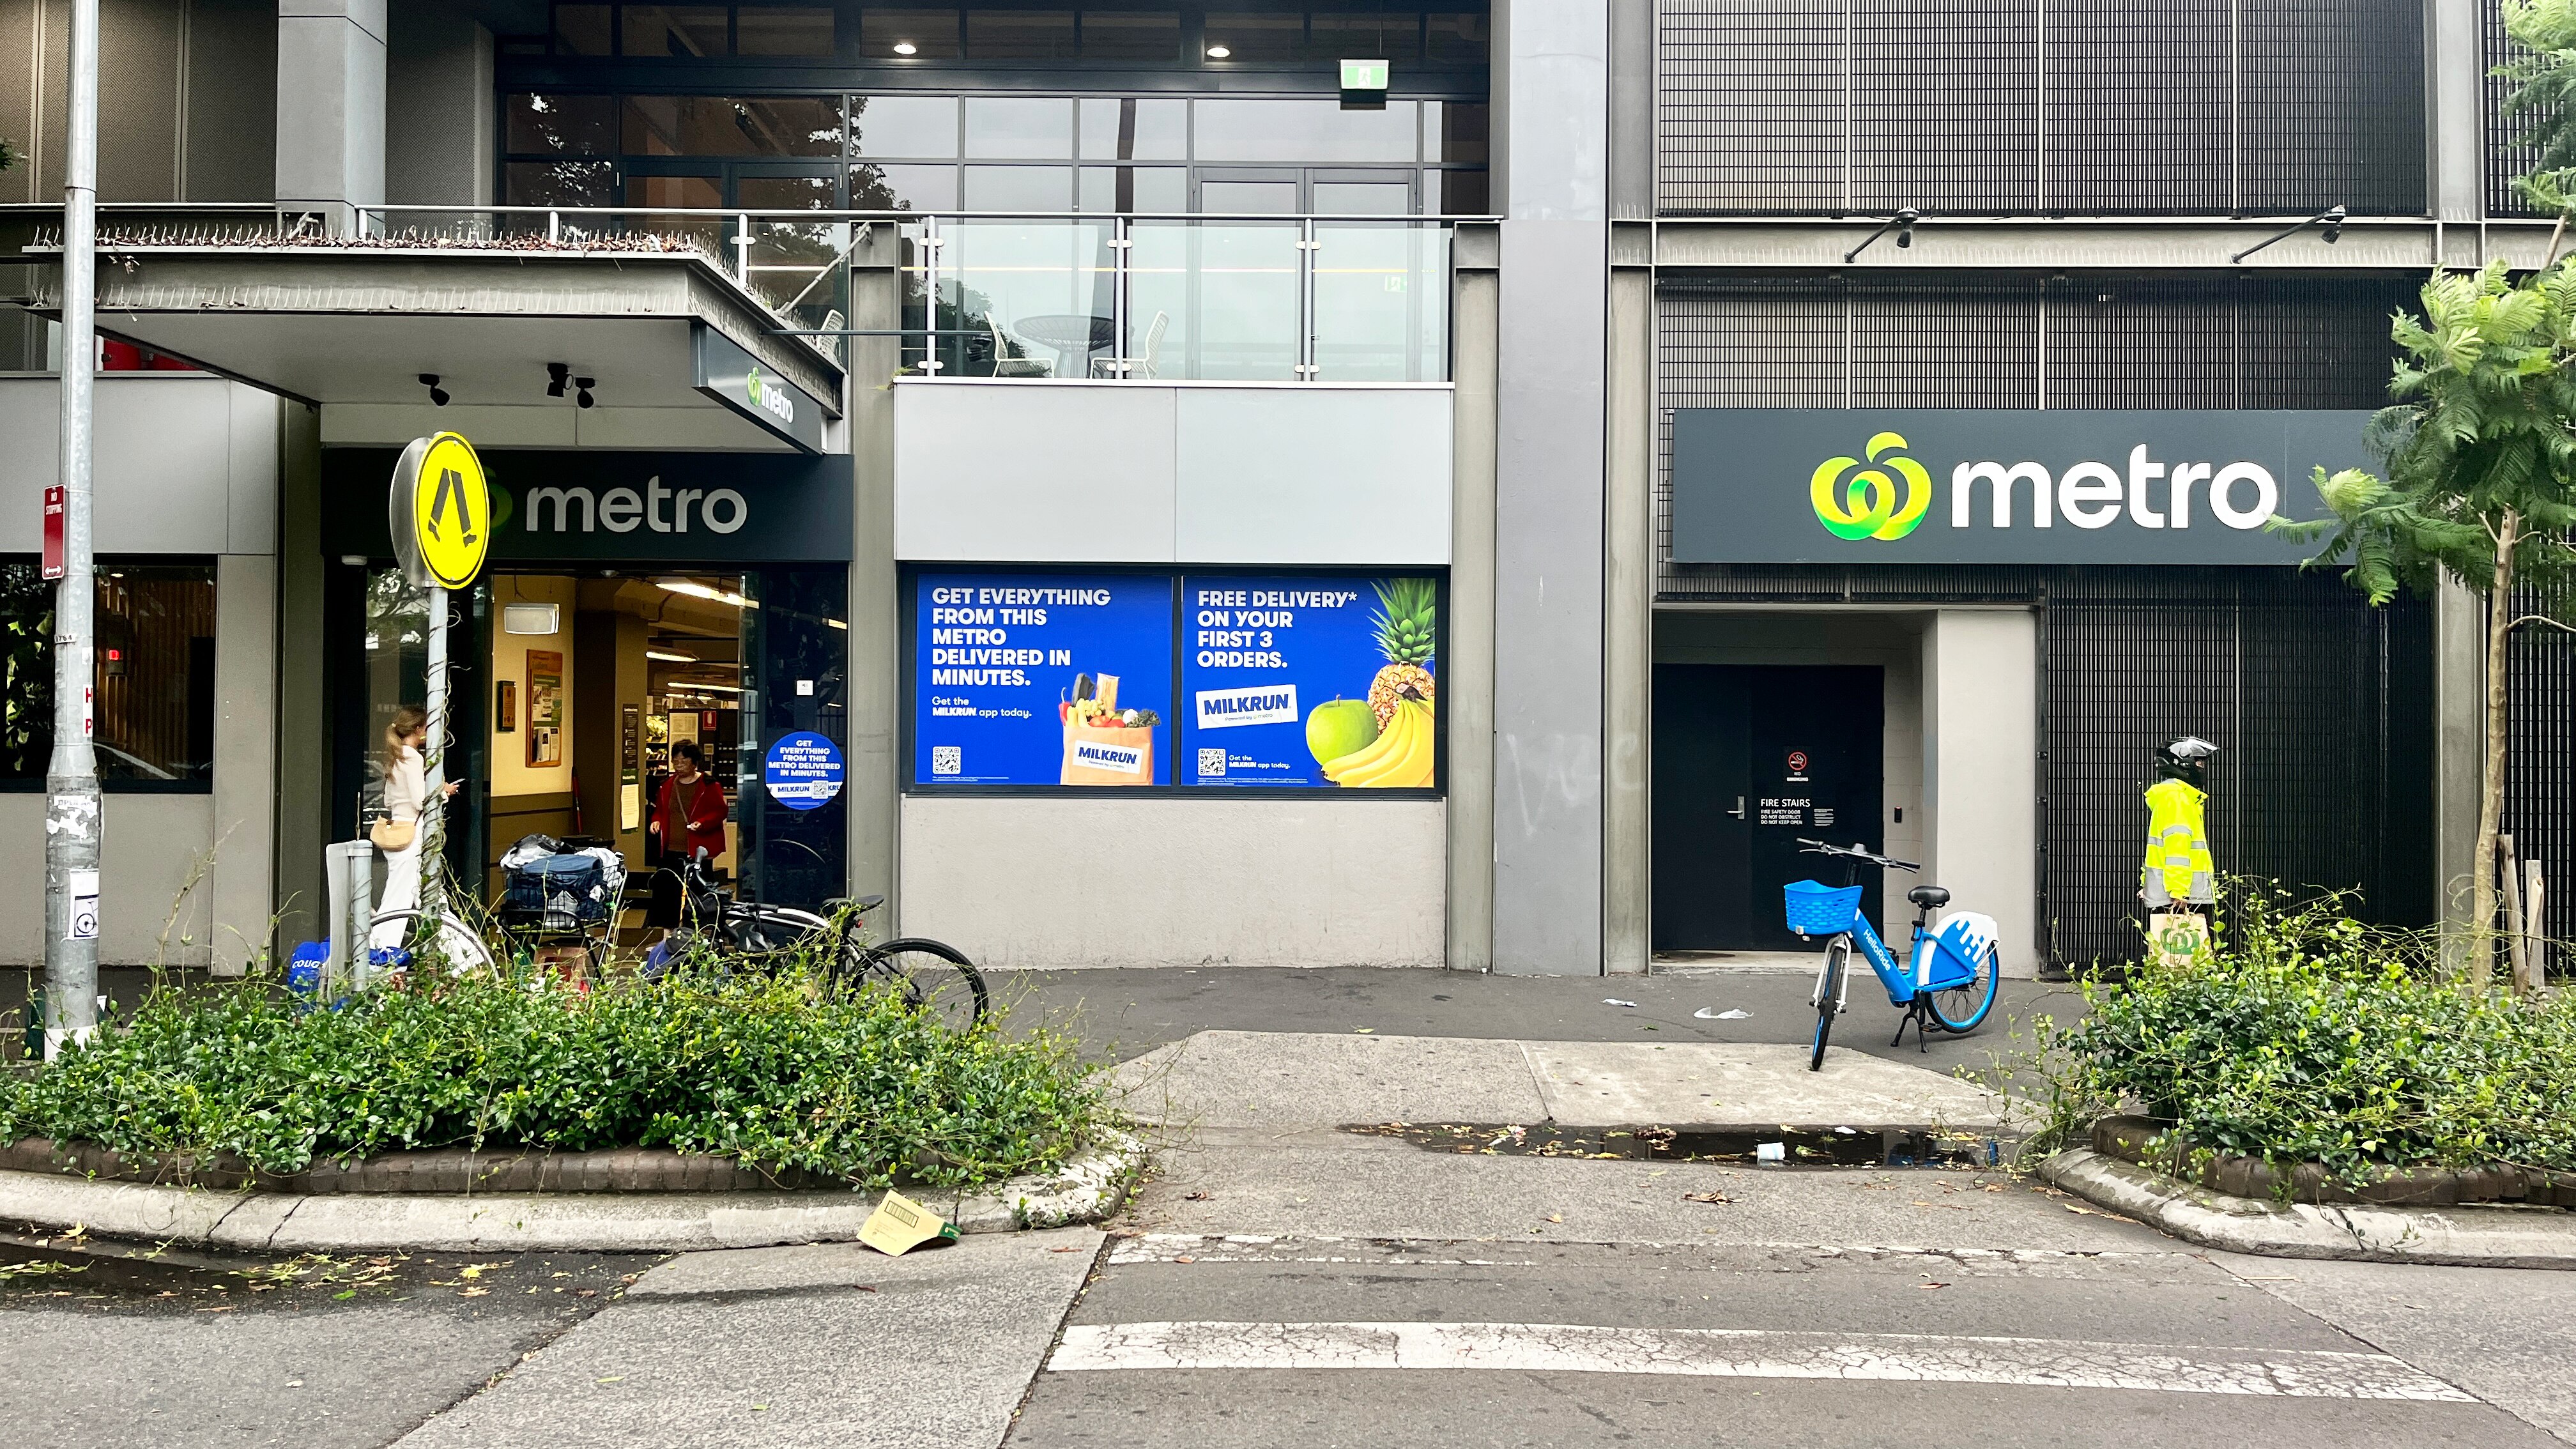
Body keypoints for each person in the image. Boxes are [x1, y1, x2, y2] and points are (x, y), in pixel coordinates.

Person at [370, 705, 458, 949]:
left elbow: (389, 800)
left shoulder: (397, 757)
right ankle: (379, 953)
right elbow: (421, 801)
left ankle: (463, 956)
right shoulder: (413, 758)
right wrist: (444, 792)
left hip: (397, 828)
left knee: (426, 896)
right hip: (412, 836)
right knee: (402, 899)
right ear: (419, 729)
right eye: (427, 728)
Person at [645, 741, 730, 931]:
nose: (679, 765)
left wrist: (703, 822)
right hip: (670, 848)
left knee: (698, 894)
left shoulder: (709, 784)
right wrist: (656, 820)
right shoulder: (667, 785)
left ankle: (696, 935)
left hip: (698, 850)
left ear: (694, 762)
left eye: (684, 761)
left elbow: (720, 811)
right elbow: (660, 810)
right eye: (676, 761)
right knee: (667, 894)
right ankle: (668, 938)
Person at [2141, 735, 2218, 911]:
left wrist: (2148, 884)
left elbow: (2157, 852)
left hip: (2174, 896)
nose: (2202, 768)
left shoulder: (2171, 796)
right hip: (2183, 898)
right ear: (2183, 764)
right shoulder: (2177, 798)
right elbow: (2177, 850)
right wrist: (2179, 891)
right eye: (2199, 763)